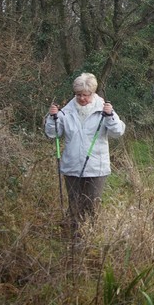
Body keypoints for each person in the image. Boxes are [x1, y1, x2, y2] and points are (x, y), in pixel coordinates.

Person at [45, 73, 126, 237]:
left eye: (86, 95)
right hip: (72, 166)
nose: (82, 98)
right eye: (78, 94)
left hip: (97, 166)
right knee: (74, 204)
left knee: (92, 203)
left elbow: (118, 132)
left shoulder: (104, 110)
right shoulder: (65, 112)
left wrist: (110, 116)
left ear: (93, 93)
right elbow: (53, 134)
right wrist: (51, 118)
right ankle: (75, 238)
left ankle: (92, 236)